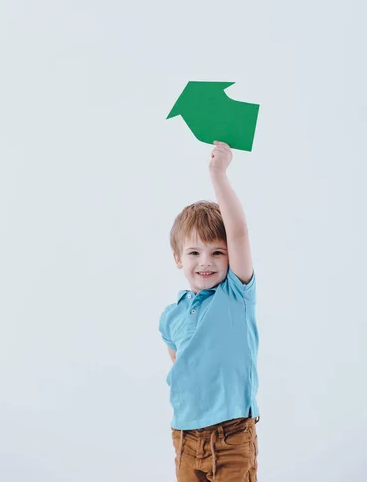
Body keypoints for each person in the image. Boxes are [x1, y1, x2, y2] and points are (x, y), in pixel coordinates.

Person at [159, 140, 260, 481]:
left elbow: (239, 232)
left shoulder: (235, 294)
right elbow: (183, 365)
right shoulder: (171, 316)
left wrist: (218, 173)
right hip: (186, 438)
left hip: (231, 437)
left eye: (217, 253)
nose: (206, 262)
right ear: (178, 259)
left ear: (230, 257)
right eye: (194, 253)